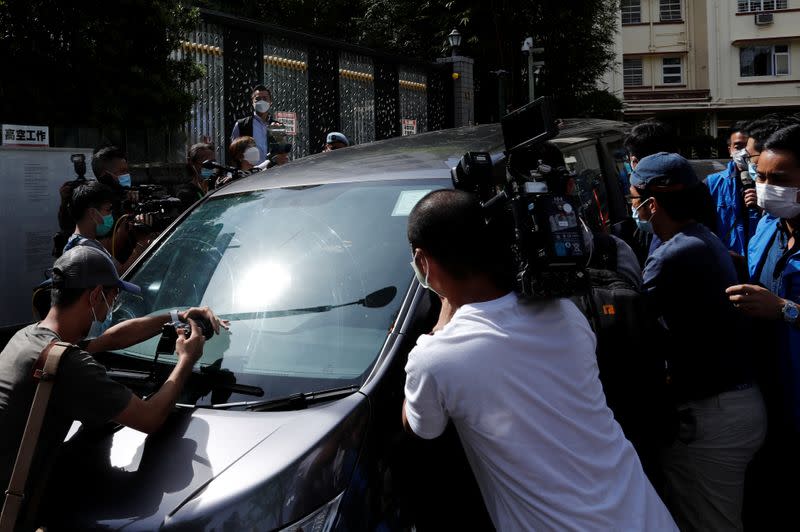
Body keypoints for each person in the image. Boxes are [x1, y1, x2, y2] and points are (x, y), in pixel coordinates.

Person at [401, 189, 677, 530]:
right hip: (646, 517)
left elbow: (421, 427)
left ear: (423, 262)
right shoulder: (564, 312)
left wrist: (439, 326)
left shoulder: (434, 357)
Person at [0, 246, 227, 528]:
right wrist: (187, 359)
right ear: (95, 296)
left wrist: (176, 317)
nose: (112, 306)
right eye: (112, 297)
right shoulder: (70, 365)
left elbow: (108, 340)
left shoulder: (31, 339)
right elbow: (150, 418)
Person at [630, 152, 766, 530]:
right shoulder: (698, 238)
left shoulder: (675, 254)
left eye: (633, 200)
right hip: (729, 406)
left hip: (713, 416)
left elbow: (631, 323)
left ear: (651, 204)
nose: (633, 210)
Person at [727, 124, 800, 524]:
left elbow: (779, 305)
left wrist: (786, 310)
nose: (768, 187)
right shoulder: (767, 229)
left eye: (781, 180)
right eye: (762, 177)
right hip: (766, 399)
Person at [62, 182, 151, 274]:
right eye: (108, 210)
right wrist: (142, 244)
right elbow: (122, 275)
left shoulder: (84, 242)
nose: (110, 215)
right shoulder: (86, 251)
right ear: (92, 213)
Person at [705, 121, 761, 257]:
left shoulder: (768, 180)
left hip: (758, 257)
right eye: (738, 147)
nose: (744, 152)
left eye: (747, 146)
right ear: (730, 149)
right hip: (727, 259)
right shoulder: (713, 183)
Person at [230, 85, 274, 165]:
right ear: (252, 103)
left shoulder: (276, 126)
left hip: (272, 173)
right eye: (257, 99)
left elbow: (281, 152)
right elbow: (234, 151)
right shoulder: (242, 125)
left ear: (270, 102)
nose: (261, 101)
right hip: (250, 173)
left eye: (265, 98)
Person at [175, 142, 215, 208]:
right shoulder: (185, 193)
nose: (210, 166)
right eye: (206, 163)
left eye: (213, 162)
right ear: (192, 163)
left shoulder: (218, 187)